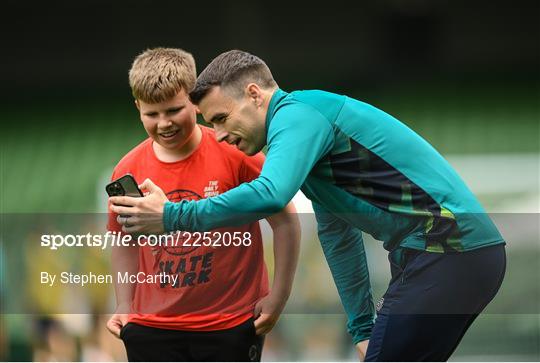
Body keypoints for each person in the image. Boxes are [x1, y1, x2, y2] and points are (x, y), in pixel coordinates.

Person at [110, 50, 506, 361]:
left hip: (448, 251)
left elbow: (272, 193)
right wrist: (362, 328)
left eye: (222, 118)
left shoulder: (298, 116)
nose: (220, 135)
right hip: (438, 257)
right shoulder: (311, 151)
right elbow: (339, 237)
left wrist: (172, 215)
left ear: (254, 94)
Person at [106, 48, 301, 362]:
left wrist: (277, 297)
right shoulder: (129, 168)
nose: (164, 123)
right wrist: (125, 304)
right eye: (152, 114)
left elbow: (285, 221)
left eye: (173, 110)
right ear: (138, 108)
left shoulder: (237, 152)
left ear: (194, 102)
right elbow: (123, 241)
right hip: (152, 325)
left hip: (229, 323)